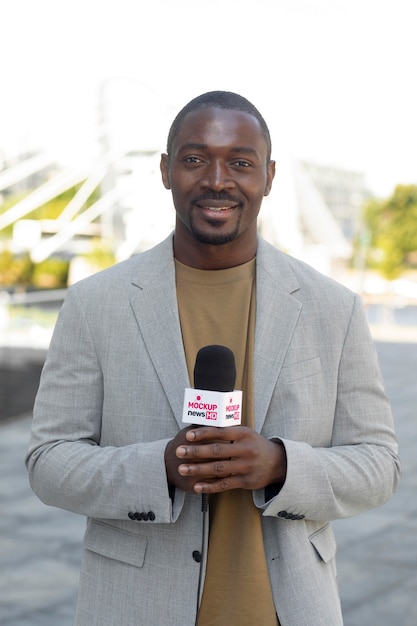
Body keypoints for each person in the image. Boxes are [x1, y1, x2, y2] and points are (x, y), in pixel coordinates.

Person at [26, 91, 400, 626]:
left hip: (288, 610)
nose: (218, 180)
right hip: (136, 608)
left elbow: (379, 465)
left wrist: (279, 465)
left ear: (269, 176)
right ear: (165, 170)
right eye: (195, 158)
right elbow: (48, 463)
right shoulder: (95, 304)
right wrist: (159, 467)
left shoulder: (333, 308)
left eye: (241, 163)